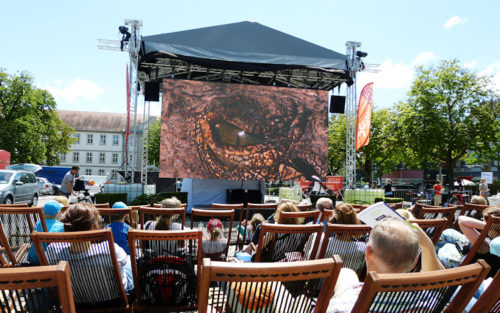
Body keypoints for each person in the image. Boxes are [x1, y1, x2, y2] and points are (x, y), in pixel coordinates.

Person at [327, 218, 443, 313]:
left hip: (355, 295)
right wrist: (427, 245)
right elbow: (436, 281)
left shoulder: (345, 305)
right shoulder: (428, 302)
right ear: (414, 262)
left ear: (368, 252)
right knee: (346, 272)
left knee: (345, 272)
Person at [44, 203, 134, 300]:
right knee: (131, 262)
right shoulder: (111, 250)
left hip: (74, 303)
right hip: (113, 300)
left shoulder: (52, 250)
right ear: (92, 227)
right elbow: (123, 284)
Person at [322, 204, 366, 274]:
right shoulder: (364, 248)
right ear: (355, 223)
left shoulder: (322, 243)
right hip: (350, 284)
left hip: (322, 284)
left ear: (332, 222)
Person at [27, 201, 65, 265]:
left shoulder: (38, 223)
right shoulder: (61, 226)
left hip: (35, 260)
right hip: (51, 261)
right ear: (58, 213)